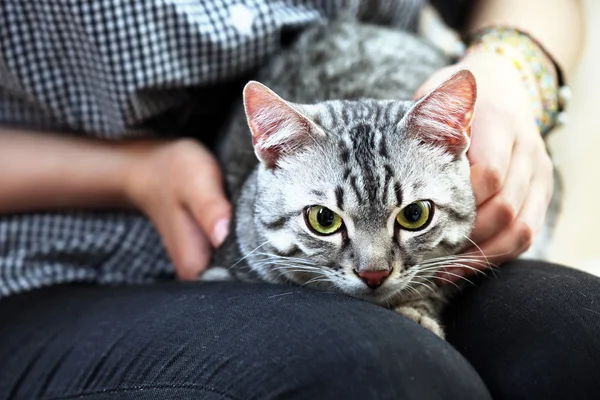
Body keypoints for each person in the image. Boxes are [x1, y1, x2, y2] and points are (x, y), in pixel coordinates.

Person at [0, 0, 598, 399]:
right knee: (380, 375)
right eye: (325, 220)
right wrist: (132, 174)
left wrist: (512, 72)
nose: (372, 267)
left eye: (408, 215)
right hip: (70, 252)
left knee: (580, 335)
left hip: (390, 118)